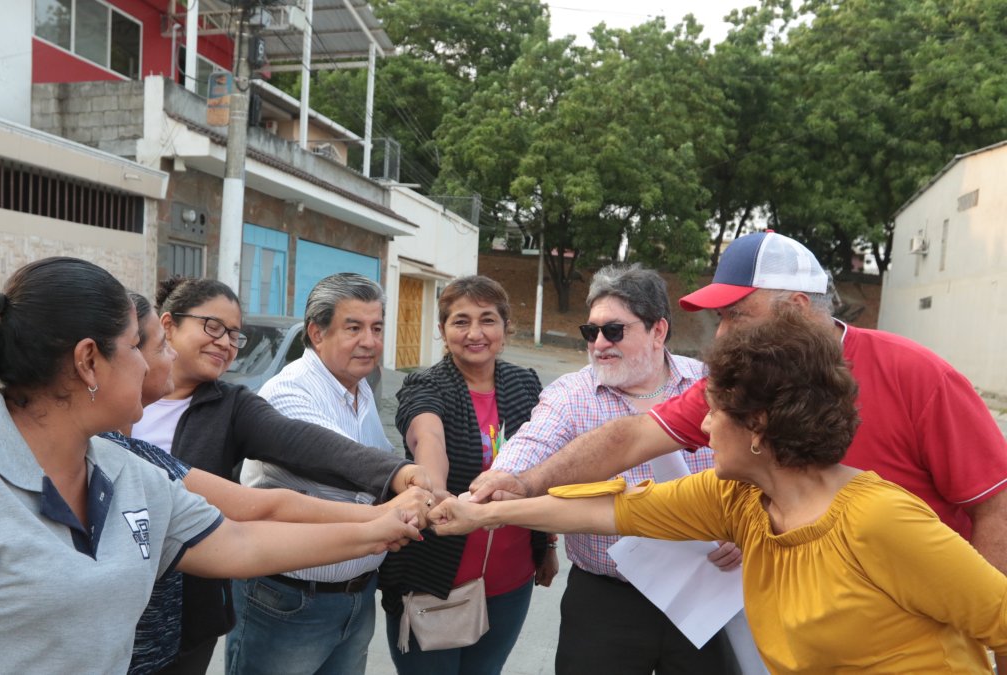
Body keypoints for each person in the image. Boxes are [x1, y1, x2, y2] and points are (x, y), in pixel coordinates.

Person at [0, 257, 419, 674]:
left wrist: (383, 526)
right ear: (88, 362)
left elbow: (238, 540)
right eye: (137, 346)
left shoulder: (121, 468)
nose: (155, 364)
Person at [434, 310, 1007, 673]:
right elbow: (610, 508)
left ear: (759, 425)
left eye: (716, 416)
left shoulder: (880, 520)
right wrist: (488, 512)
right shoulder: (737, 501)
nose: (703, 430)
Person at [471, 231, 1007, 573]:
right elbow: (634, 436)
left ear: (796, 307)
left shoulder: (916, 373)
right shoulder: (744, 377)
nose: (720, 337)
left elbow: (995, 503)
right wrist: (524, 481)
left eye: (735, 316)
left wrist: (986, 631)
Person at [110, 292, 430, 675]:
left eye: (234, 333)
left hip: (178, 626)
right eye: (212, 326)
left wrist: (387, 497)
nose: (225, 342)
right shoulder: (109, 447)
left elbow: (286, 472)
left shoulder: (224, 411)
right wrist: (378, 518)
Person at [490, 265, 736, 674]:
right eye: (591, 332)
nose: (600, 344)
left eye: (614, 331)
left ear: (659, 331)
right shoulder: (570, 395)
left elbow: (766, 471)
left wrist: (749, 532)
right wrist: (498, 483)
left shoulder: (711, 386)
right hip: (607, 602)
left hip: (707, 592)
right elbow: (531, 446)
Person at [228, 273, 412, 675]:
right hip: (288, 601)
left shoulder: (359, 387)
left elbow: (378, 457)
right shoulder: (289, 393)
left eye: (376, 328)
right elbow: (351, 469)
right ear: (316, 332)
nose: (369, 341)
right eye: (353, 328)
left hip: (354, 598)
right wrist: (412, 492)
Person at [377, 275, 555, 674]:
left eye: (487, 320)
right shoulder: (426, 386)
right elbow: (428, 440)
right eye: (460, 321)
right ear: (442, 330)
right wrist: (435, 493)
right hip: (435, 582)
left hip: (511, 583)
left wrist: (549, 547)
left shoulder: (524, 384)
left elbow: (545, 463)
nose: (475, 333)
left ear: (505, 329)